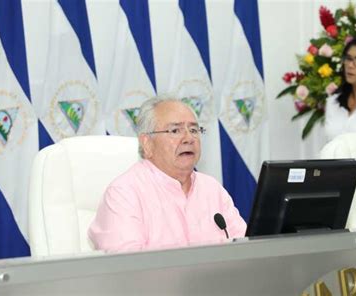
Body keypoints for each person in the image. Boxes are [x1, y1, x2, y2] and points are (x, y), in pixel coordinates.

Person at [88, 96, 246, 253]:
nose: (189, 139)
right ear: (147, 143)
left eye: (193, 130)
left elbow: (246, 248)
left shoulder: (211, 189)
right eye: (175, 130)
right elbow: (127, 267)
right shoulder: (124, 194)